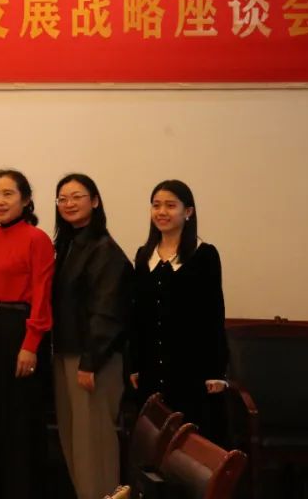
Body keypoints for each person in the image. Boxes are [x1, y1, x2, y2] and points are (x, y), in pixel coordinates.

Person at [51, 173, 132, 499]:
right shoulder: (68, 246)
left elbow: (107, 314)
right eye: (62, 199)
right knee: (73, 442)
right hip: (66, 354)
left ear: (95, 201)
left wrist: (90, 362)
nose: (68, 204)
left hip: (93, 362)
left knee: (94, 446)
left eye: (77, 197)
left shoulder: (105, 251)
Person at [0, 169, 55, 499]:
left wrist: (31, 344)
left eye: (8, 194)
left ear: (25, 200)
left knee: (20, 424)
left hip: (23, 331)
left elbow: (42, 293)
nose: (0, 201)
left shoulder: (37, 238)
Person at [129, 180, 228, 440]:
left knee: (190, 441)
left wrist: (216, 371)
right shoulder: (144, 256)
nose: (161, 212)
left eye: (170, 206)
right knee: (153, 441)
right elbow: (138, 316)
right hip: (151, 366)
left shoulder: (204, 255)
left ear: (188, 212)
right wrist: (134, 364)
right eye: (156, 205)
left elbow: (213, 314)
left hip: (191, 367)